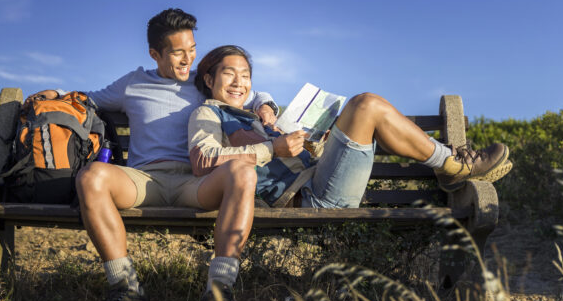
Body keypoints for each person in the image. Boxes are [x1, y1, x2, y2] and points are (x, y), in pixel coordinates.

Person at [27, 10, 274, 301]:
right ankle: (127, 292)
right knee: (91, 177)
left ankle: (218, 296)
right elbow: (89, 99)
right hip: (144, 181)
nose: (188, 60)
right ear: (155, 54)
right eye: (177, 52)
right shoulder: (132, 83)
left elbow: (250, 92)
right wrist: (54, 93)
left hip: (197, 182)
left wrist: (267, 103)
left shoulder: (203, 81)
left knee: (243, 173)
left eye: (192, 49)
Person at [188, 45, 513, 210]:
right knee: (365, 104)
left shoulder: (258, 117)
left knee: (363, 105)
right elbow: (203, 161)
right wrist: (273, 147)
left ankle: (449, 163)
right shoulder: (207, 114)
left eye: (245, 75)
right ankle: (451, 164)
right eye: (230, 74)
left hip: (317, 178)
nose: (239, 82)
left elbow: (286, 157)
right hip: (307, 198)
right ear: (208, 79)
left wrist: (318, 143)